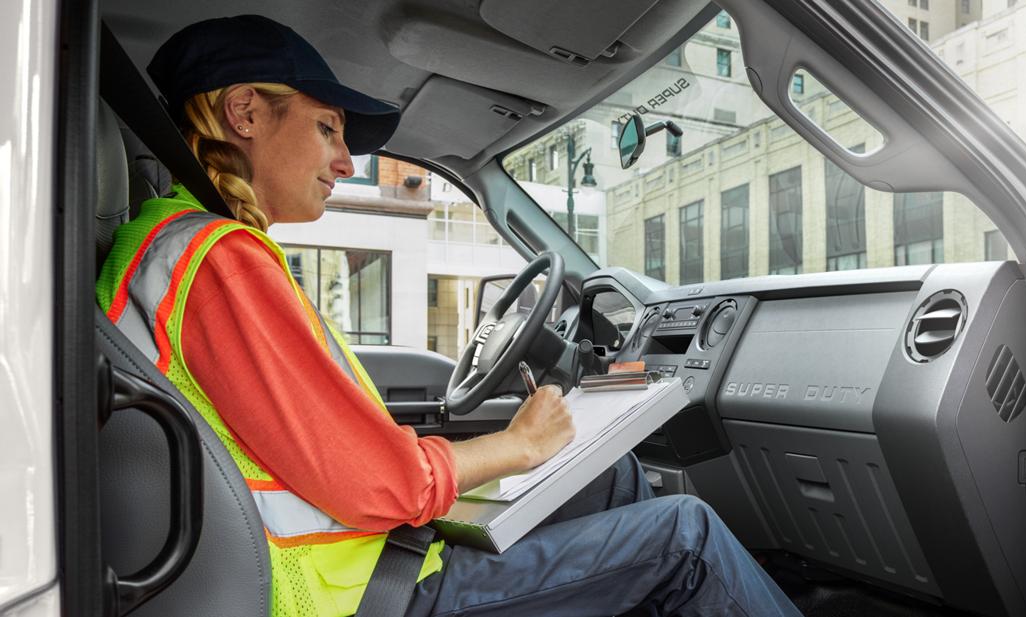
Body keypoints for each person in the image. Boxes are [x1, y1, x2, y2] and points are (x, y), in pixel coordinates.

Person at [98, 14, 801, 617]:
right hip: (368, 594)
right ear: (244, 113)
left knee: (610, 478)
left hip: (370, 558)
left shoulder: (170, 249)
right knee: (686, 535)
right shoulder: (218, 258)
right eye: (328, 128)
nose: (345, 161)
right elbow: (377, 481)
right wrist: (519, 444)